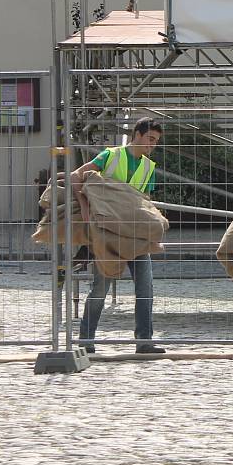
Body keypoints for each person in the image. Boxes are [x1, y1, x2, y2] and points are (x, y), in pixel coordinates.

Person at [71, 117, 165, 354]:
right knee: (100, 289)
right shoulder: (110, 156)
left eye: (155, 142)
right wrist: (84, 206)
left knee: (146, 289)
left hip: (135, 235)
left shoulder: (148, 167)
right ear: (137, 134)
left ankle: (144, 341)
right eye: (150, 139)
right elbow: (76, 176)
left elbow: (145, 202)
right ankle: (86, 341)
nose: (151, 145)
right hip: (108, 236)